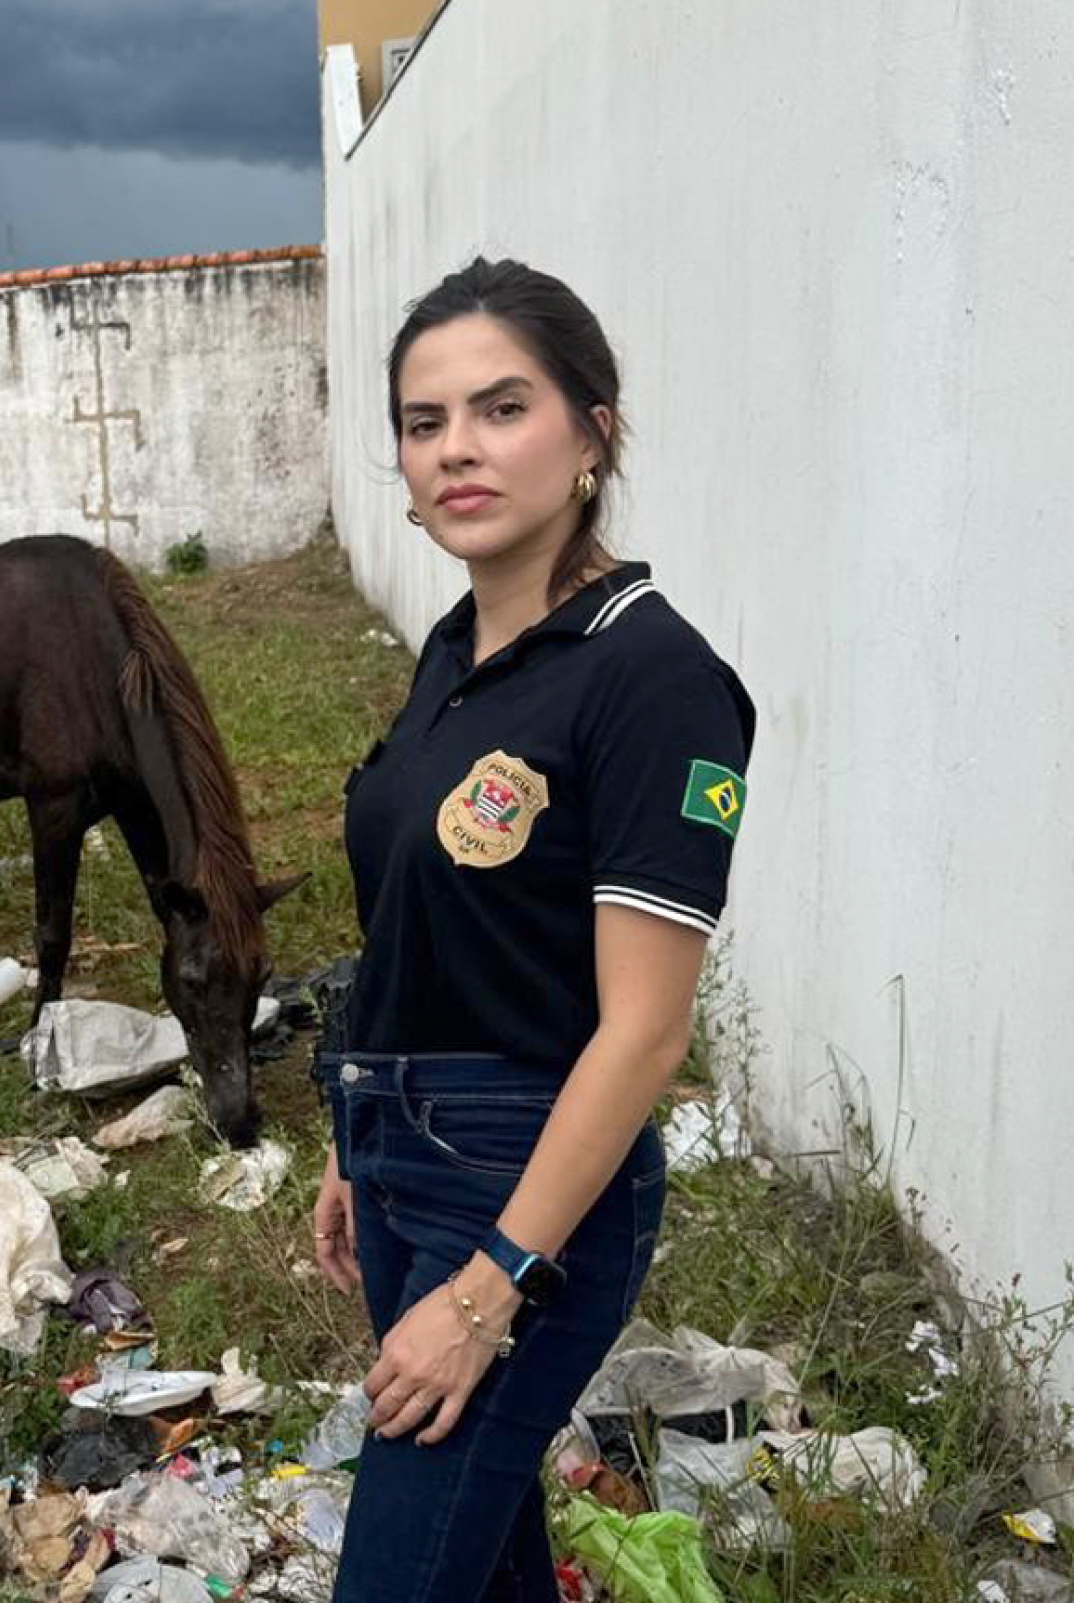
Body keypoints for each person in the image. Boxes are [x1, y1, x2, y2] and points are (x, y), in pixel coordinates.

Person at [311, 257, 756, 1600]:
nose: (457, 450)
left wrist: (491, 1285)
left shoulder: (654, 677)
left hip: (523, 1185)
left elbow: (648, 1029)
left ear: (591, 431)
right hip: (399, 1154)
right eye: (424, 420)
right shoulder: (458, 652)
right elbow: (412, 931)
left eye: (502, 409)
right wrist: (352, 1146)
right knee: (481, 1555)